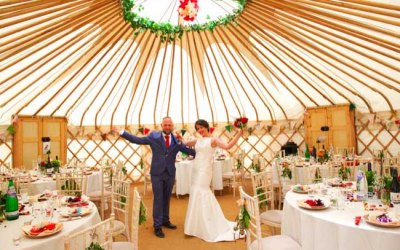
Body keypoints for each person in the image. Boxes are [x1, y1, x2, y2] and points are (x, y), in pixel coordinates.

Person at [112, 117, 195, 238]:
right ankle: (157, 225)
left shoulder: (177, 140)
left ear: (173, 126)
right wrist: (121, 132)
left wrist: (204, 150)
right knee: (158, 198)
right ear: (161, 125)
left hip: (170, 173)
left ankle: (165, 220)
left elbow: (187, 150)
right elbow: (137, 140)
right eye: (165, 125)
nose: (167, 127)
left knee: (166, 198)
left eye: (169, 125)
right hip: (157, 173)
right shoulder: (153, 137)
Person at [183, 119, 243, 242]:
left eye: (201, 127)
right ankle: (197, 225)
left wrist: (239, 134)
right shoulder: (198, 140)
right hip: (196, 170)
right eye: (197, 128)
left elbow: (228, 146)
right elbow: (185, 143)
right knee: (195, 193)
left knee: (202, 192)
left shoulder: (214, 140)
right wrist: (178, 136)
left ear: (207, 127)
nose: (200, 130)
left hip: (204, 171)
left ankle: (208, 224)